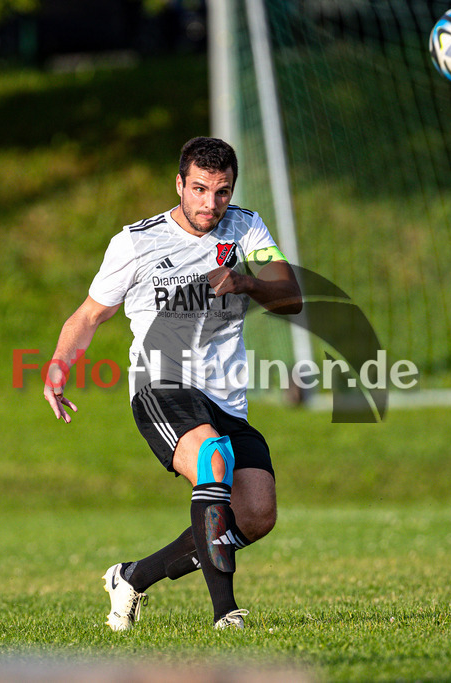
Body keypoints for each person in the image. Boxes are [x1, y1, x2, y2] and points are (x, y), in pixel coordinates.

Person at [43, 137, 302, 630]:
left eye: (222, 191)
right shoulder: (136, 243)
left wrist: (248, 282)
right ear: (179, 184)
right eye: (200, 189)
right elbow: (90, 315)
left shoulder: (245, 228)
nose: (211, 203)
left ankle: (133, 577)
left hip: (225, 395)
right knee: (213, 459)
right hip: (160, 385)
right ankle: (227, 614)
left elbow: (291, 297)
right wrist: (59, 362)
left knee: (255, 515)